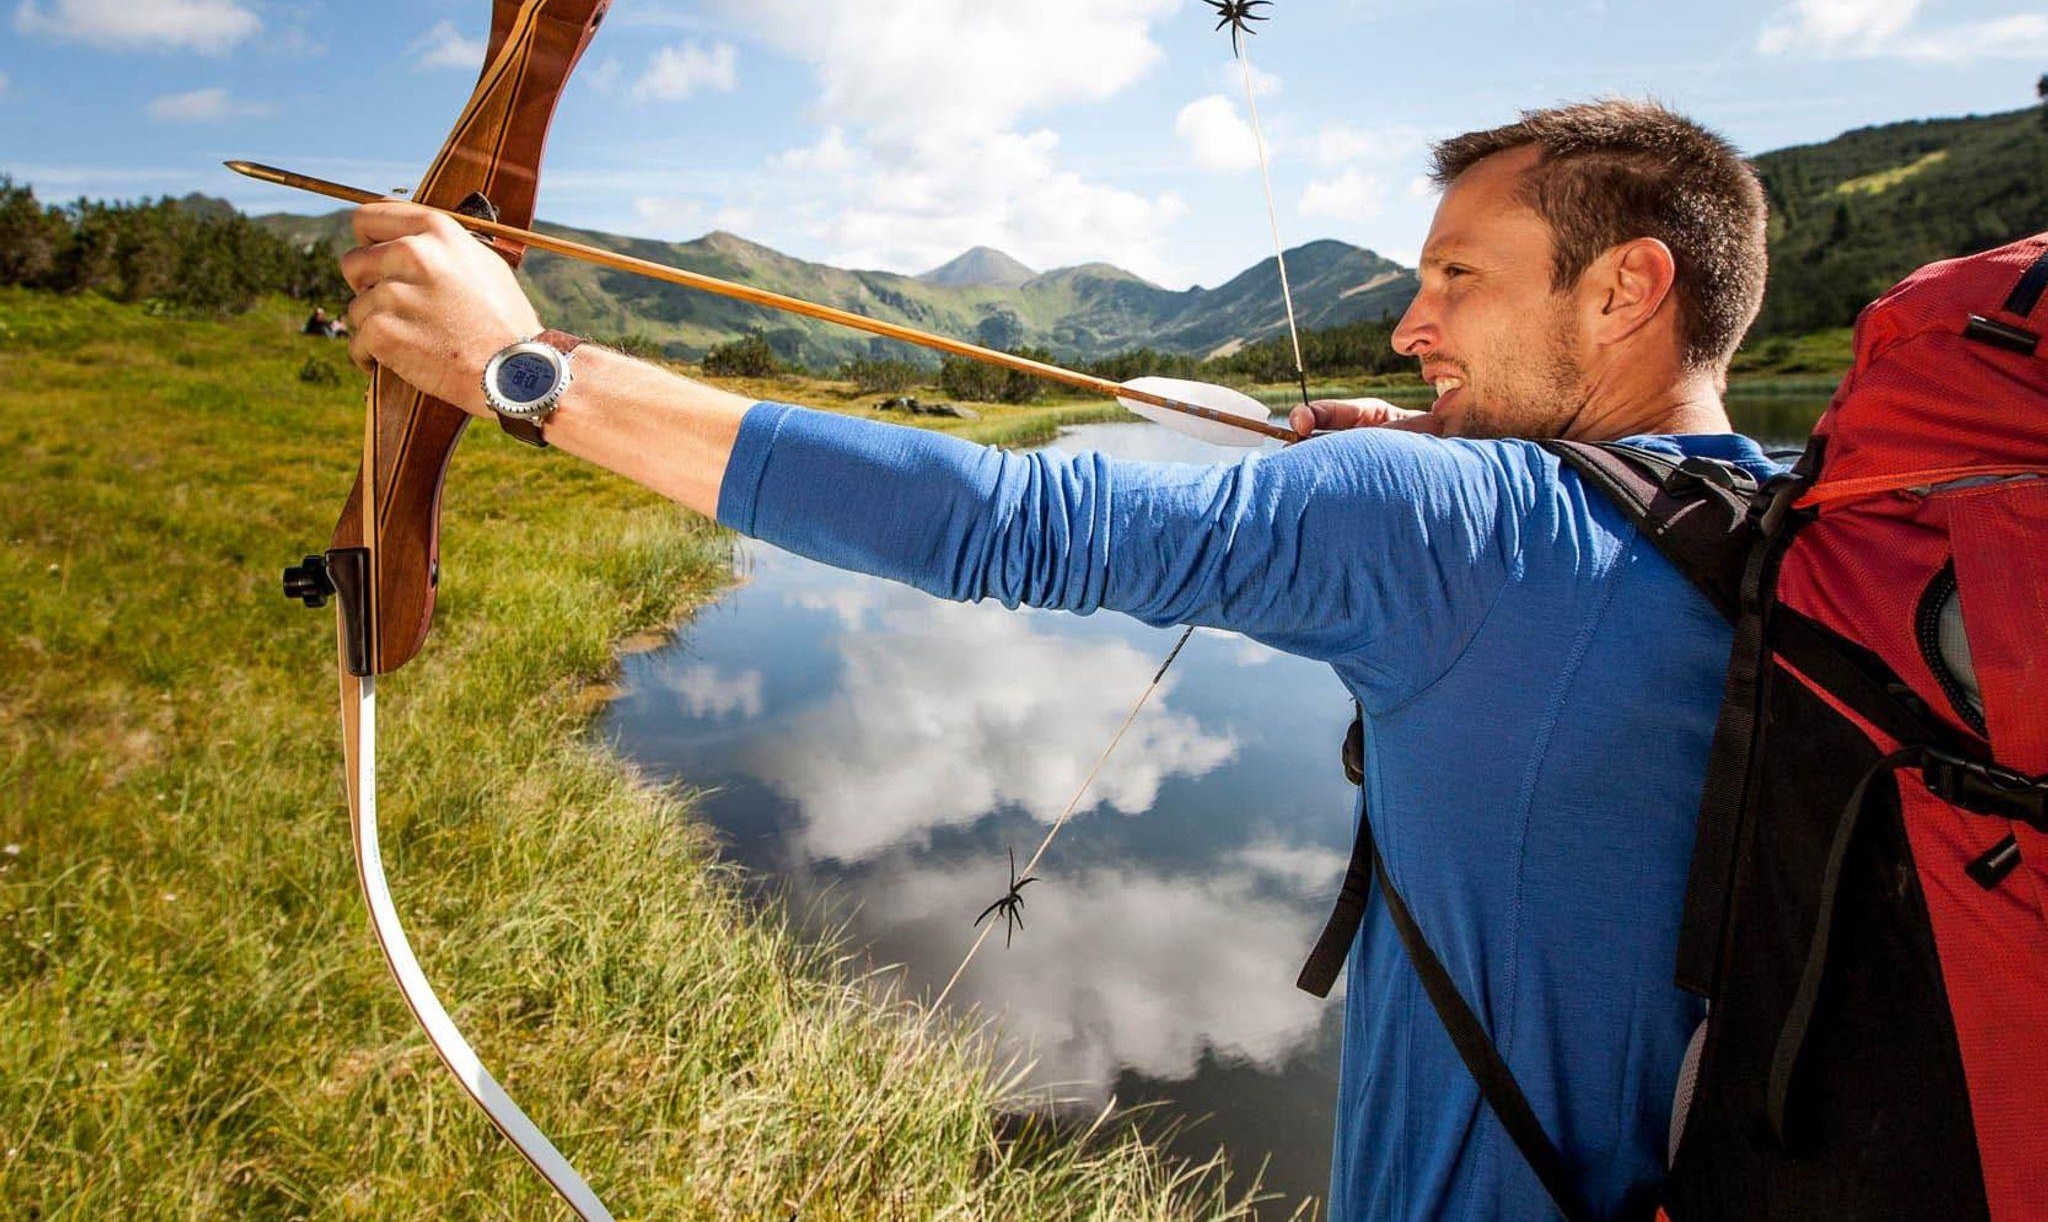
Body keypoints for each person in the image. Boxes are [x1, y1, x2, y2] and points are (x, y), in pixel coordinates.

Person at [336, 97, 1778, 1221]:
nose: (1412, 327)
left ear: (1625, 288)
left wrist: (528, 374)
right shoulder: (1784, 524)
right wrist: (1423, 457)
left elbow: (1010, 518)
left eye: (1458, 276)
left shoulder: (1450, 525)